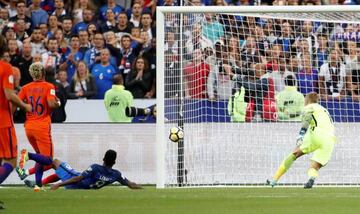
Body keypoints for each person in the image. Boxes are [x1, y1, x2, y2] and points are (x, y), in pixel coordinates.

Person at [267, 92, 337, 189]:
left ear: (307, 100)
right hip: (330, 139)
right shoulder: (324, 109)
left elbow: (307, 119)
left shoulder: (309, 107)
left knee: (294, 154)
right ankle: (311, 178)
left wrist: (301, 134)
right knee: (314, 167)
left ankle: (274, 180)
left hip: (316, 134)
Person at [16, 62, 61, 191]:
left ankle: (38, 185)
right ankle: (27, 155)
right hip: (41, 126)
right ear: (43, 73)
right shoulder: (49, 86)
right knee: (48, 159)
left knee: (40, 157)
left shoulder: (25, 88)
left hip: (29, 127)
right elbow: (51, 104)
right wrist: (58, 102)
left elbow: (17, 103)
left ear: (31, 74)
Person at [19, 149, 141, 190]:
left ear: (103, 158)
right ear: (114, 162)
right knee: (61, 170)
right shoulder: (116, 174)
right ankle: (38, 182)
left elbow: (78, 178)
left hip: (75, 181)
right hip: (85, 186)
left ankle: (28, 172)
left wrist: (58, 185)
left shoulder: (95, 167)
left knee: (53, 161)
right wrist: (141, 188)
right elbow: (130, 184)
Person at [0, 35, 32, 185]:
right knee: (12, 160)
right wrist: (24, 106)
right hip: (3, 121)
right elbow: (8, 94)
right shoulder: (5, 67)